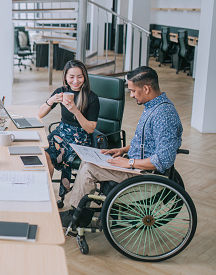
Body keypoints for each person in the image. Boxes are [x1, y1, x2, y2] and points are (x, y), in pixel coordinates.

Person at [61, 66, 183, 226]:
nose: (131, 95)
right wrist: (123, 150)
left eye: (133, 91)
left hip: (144, 172)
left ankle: (76, 218)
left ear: (146, 88)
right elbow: (147, 141)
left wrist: (128, 163)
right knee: (87, 159)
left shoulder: (163, 116)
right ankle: (78, 212)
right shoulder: (153, 106)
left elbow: (163, 160)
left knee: (90, 169)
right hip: (135, 163)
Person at [38, 60, 100, 201]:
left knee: (63, 156)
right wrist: (52, 100)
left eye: (79, 76)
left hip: (80, 137)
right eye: (71, 77)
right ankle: (45, 193)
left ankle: (59, 196)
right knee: (44, 154)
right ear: (65, 77)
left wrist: (75, 110)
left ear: (85, 77)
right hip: (61, 132)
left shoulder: (91, 97)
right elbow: (40, 114)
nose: (75, 81)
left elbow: (90, 129)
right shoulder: (61, 91)